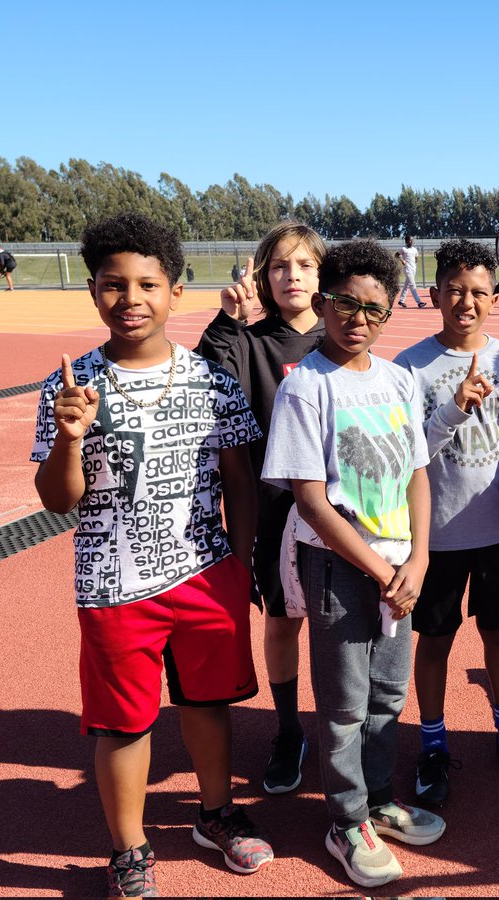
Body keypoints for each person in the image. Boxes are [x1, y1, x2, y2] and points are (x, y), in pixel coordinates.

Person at [31, 212, 273, 897]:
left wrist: (242, 561)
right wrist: (70, 436)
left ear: (175, 291)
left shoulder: (211, 381)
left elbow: (239, 482)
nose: (130, 298)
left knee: (208, 705)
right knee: (122, 722)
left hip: (205, 575)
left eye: (147, 284)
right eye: (113, 285)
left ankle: (216, 814)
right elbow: (58, 500)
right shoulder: (70, 385)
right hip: (113, 585)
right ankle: (130, 850)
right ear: (93, 292)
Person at [262, 239, 444, 890]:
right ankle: (344, 823)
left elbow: (420, 473)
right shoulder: (306, 387)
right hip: (342, 569)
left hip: (401, 570)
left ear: (391, 310)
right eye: (344, 302)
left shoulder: (396, 380)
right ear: (323, 300)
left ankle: (375, 800)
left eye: (374, 307)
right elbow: (311, 501)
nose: (357, 317)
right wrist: (379, 569)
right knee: (343, 706)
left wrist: (419, 558)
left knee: (387, 700)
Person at [394, 239, 499, 808]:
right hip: (436, 537)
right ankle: (432, 746)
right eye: (456, 290)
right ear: (434, 293)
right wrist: (455, 408)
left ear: (495, 297)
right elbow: (406, 454)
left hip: (497, 532)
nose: (467, 301)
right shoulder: (410, 367)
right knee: (434, 639)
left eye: (480, 291)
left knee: (498, 632)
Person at [196, 222, 326, 796]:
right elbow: (206, 378)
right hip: (275, 513)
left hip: (344, 516)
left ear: (322, 276)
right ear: (260, 277)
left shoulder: (342, 339)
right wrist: (228, 319)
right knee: (282, 619)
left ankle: (347, 728)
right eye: (278, 266)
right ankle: (289, 729)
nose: (291, 276)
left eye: (303, 265)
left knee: (344, 623)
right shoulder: (248, 343)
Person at [395, 235, 426, 308]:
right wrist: (402, 260)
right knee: (412, 285)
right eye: (410, 240)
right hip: (407, 269)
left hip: (413, 269)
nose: (411, 241)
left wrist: (416, 260)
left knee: (406, 285)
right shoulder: (403, 249)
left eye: (412, 240)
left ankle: (401, 301)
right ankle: (419, 302)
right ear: (406, 241)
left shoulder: (415, 249)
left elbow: (416, 257)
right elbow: (396, 255)